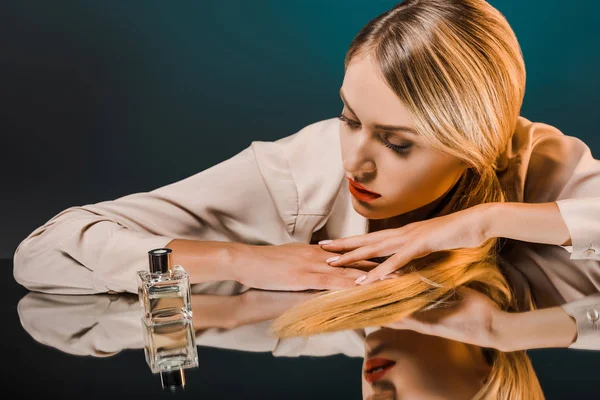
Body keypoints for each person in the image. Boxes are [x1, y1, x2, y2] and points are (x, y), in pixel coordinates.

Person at [13, 0, 600, 350]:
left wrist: (488, 226)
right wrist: (240, 261)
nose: (355, 161)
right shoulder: (302, 168)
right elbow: (43, 254)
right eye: (349, 118)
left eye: (397, 142)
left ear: (478, 146)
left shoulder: (535, 159)